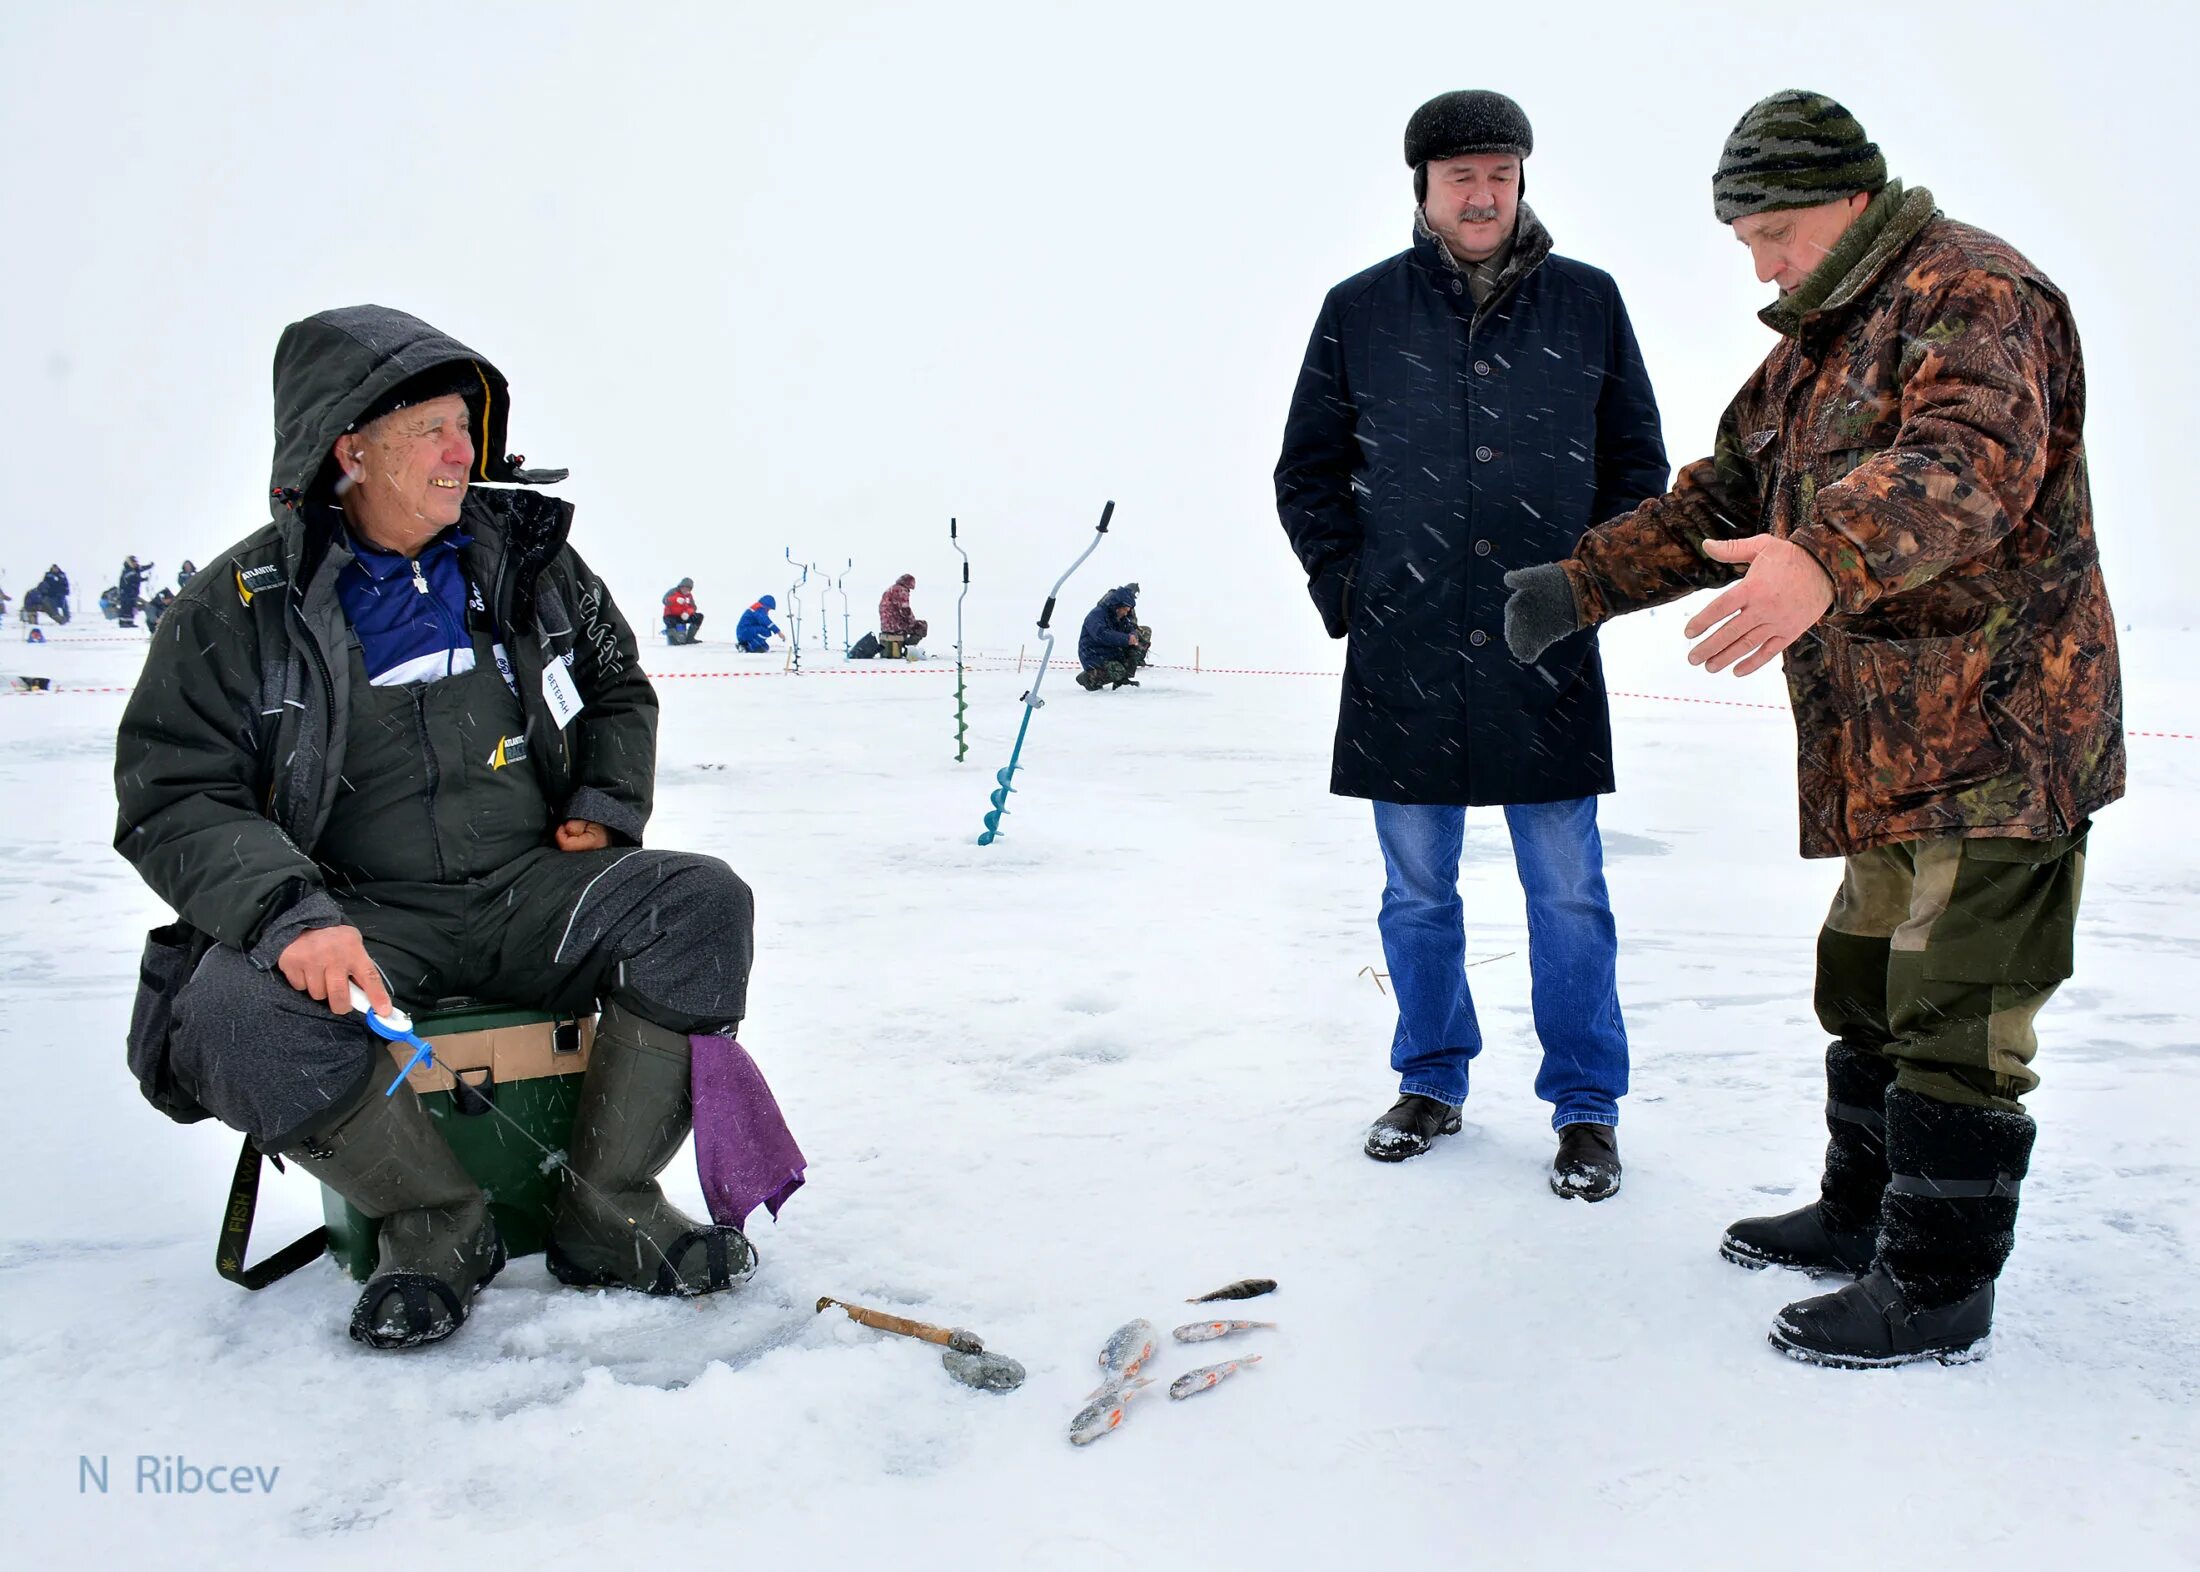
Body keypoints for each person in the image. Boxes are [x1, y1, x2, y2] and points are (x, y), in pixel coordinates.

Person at [1503, 92, 2122, 1365]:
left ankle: (1940, 1288)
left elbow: (1967, 465)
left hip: (2000, 734)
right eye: (1746, 243)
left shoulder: (1977, 294)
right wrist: (1584, 583)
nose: (1764, 266)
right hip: (1887, 743)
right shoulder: (1813, 350)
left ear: (1853, 199)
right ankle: (1860, 1217)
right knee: (1868, 984)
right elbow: (1724, 496)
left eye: (1776, 232)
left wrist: (1823, 557)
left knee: (1960, 1007)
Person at [115, 305, 765, 1351]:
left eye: (467, 426)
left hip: (524, 896)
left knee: (698, 905)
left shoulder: (529, 559)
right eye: (431, 430)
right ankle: (433, 1226)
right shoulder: (240, 604)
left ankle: (609, 1211)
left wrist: (605, 804)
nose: (465, 452)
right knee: (232, 1012)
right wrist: (292, 917)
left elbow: (615, 685)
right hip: (359, 917)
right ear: (350, 447)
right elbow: (173, 793)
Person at [1275, 89, 1669, 1198]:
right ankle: (1432, 1079)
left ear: (1521, 178)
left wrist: (1586, 588)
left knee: (1569, 892)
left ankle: (1586, 1105)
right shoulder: (1359, 310)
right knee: (1415, 894)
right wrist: (1354, 587)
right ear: (1424, 189)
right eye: (1461, 177)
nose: (1483, 192)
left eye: (1498, 172)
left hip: (1541, 647)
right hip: (1404, 652)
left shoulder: (1587, 304)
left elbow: (1637, 468)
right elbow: (1305, 475)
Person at [1075, 583, 1151, 690]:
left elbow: (1130, 627)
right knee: (1118, 671)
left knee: (1135, 650)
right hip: (1094, 655)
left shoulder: (1119, 616)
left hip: (1110, 652)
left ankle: (1123, 681)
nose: (1127, 612)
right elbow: (1102, 635)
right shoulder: (1096, 615)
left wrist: (1133, 635)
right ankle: (1089, 678)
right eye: (1126, 609)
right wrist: (1126, 639)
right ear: (1117, 606)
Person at [878, 573, 926, 648]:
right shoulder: (902, 591)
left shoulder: (891, 589)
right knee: (921, 626)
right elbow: (905, 610)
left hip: (886, 625)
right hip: (895, 626)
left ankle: (900, 646)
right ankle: (908, 647)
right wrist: (912, 622)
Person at [662, 577, 704, 644]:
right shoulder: (673, 591)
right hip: (670, 616)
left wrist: (688, 613)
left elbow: (693, 607)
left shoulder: (689, 596)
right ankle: (673, 641)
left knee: (699, 616)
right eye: (684, 587)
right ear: (680, 586)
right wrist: (675, 599)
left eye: (688, 589)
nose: (685, 590)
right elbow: (664, 600)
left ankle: (690, 639)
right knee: (670, 621)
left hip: (683, 617)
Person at [116, 554, 153, 629]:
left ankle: (129, 622)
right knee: (126, 608)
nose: (135, 563)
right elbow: (134, 578)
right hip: (126, 593)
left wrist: (150, 566)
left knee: (131, 608)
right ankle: (123, 622)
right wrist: (144, 579)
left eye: (136, 562)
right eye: (133, 562)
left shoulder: (135, 569)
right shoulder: (128, 571)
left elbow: (141, 568)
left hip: (132, 593)